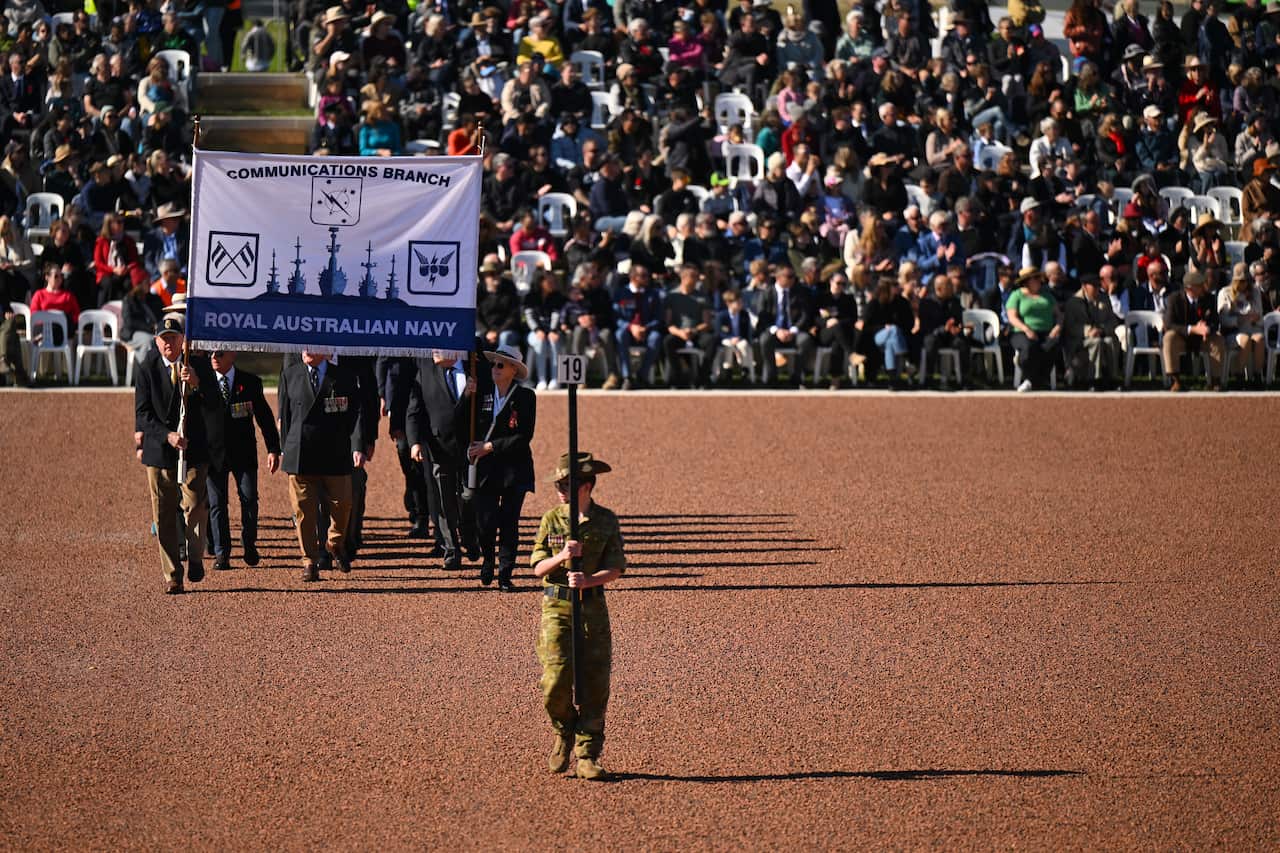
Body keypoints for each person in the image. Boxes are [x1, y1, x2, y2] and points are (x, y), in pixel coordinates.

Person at [530, 451, 625, 781]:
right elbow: (536, 567)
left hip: (592, 607)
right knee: (555, 682)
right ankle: (564, 729)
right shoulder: (552, 519)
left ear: (586, 486)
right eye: (557, 483)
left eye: (566, 484)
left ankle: (587, 753)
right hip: (557, 607)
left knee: (595, 682)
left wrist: (590, 580)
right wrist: (562, 556)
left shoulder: (606, 521)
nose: (559, 489)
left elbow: (616, 567)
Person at [135, 313, 216, 595]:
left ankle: (195, 556)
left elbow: (217, 404)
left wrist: (196, 382)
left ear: (183, 340)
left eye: (174, 338)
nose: (169, 343)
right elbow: (142, 414)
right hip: (160, 451)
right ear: (157, 342)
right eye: (164, 339)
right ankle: (172, 574)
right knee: (164, 515)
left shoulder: (199, 365)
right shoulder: (146, 368)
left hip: (193, 450)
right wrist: (166, 435)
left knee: (194, 506)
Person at [277, 349, 366, 581]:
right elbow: (284, 416)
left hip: (334, 451)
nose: (306, 350)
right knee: (304, 512)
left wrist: (357, 444)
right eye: (303, 346)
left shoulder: (344, 377)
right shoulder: (290, 374)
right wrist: (284, 449)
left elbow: (356, 414)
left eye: (312, 345)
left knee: (343, 503)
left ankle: (334, 542)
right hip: (301, 454)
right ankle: (309, 561)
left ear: (326, 349)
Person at [465, 344, 535, 590]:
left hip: (515, 470)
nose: (494, 368)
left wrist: (491, 446)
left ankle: (505, 574)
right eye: (493, 364)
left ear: (513, 370)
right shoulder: (481, 393)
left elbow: (524, 435)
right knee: (485, 522)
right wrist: (466, 398)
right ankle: (488, 559)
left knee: (509, 522)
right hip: (486, 471)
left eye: (500, 364)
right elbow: (464, 423)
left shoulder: (526, 397)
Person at [205, 350, 281, 571]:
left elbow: (265, 418)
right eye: (210, 353)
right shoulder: (203, 382)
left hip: (243, 454)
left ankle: (249, 543)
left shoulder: (250, 383)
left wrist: (273, 449)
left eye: (219, 353)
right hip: (214, 454)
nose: (213, 357)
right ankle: (222, 553)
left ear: (232, 355)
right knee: (217, 503)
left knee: (249, 499)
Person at [406, 350, 479, 571]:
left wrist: (471, 393)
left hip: (471, 448)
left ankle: (469, 537)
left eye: (440, 347)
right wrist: (415, 442)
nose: (434, 352)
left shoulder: (474, 369)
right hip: (439, 447)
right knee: (444, 501)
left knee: (469, 496)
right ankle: (451, 550)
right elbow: (414, 410)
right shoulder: (425, 371)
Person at [1162, 270, 1224, 392]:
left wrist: (1207, 328)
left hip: (1203, 338)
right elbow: (1169, 324)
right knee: (1169, 337)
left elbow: (1215, 322)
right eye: (1200, 285)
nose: (1203, 287)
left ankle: (1216, 380)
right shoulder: (1173, 299)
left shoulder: (1209, 299)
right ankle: (1176, 380)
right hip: (1182, 337)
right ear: (1189, 288)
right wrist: (1192, 329)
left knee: (1218, 339)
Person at [1006, 266, 1062, 392]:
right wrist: (1027, 329)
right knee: (1029, 347)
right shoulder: (1017, 295)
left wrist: (1057, 328)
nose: (1039, 280)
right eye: (1035, 278)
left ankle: (1033, 381)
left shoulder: (1047, 296)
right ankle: (1032, 379)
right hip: (1021, 332)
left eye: (1039, 277)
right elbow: (1012, 317)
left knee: (1052, 346)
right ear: (1026, 281)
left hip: (1046, 332)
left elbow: (1059, 316)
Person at [1063, 274, 1122, 389]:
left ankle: (1112, 378)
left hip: (1100, 334)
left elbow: (1112, 321)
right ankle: (1094, 379)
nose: (1096, 289)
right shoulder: (1073, 302)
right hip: (1078, 340)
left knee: (1110, 341)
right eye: (1093, 286)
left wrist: (1102, 330)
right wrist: (1088, 331)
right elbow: (1070, 326)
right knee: (1096, 343)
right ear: (1084, 286)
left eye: (1098, 285)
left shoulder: (1104, 299)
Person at [1216, 263, 1267, 384]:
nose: (1244, 284)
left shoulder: (1254, 292)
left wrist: (1253, 318)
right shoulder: (1225, 293)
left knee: (1259, 338)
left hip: (1252, 328)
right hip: (1233, 331)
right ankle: (1238, 375)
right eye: (1241, 281)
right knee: (1245, 340)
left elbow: (1259, 315)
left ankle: (1257, 376)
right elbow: (1223, 319)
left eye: (1247, 280)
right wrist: (1241, 319)